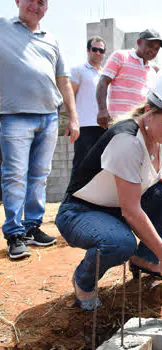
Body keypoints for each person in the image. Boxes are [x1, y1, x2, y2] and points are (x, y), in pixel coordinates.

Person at [56, 67, 162, 311]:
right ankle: (84, 281)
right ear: (148, 112)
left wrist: (158, 176)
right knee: (120, 243)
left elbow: (139, 174)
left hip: (114, 209)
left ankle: (145, 258)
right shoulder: (127, 140)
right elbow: (131, 212)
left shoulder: (157, 136)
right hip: (81, 212)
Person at [0, 0, 80, 260]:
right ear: (17, 2)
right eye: (31, 0)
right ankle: (14, 233)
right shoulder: (2, 27)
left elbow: (64, 81)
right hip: (14, 116)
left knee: (40, 175)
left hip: (49, 117)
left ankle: (32, 227)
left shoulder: (51, 39)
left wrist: (73, 117)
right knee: (15, 175)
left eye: (42, 2)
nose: (36, 5)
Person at [96, 29, 162, 129]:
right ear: (139, 42)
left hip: (141, 126)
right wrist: (102, 109)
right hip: (119, 123)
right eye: (150, 46)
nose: (153, 51)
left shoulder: (152, 70)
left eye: (157, 49)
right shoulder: (120, 56)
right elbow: (103, 81)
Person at [70, 36, 107, 177]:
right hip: (85, 125)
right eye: (95, 49)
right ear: (88, 50)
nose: (98, 53)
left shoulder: (106, 74)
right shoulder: (78, 70)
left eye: (101, 50)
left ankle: (94, 199)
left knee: (100, 165)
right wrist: (72, 120)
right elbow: (70, 96)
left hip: (104, 126)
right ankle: (71, 197)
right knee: (81, 163)